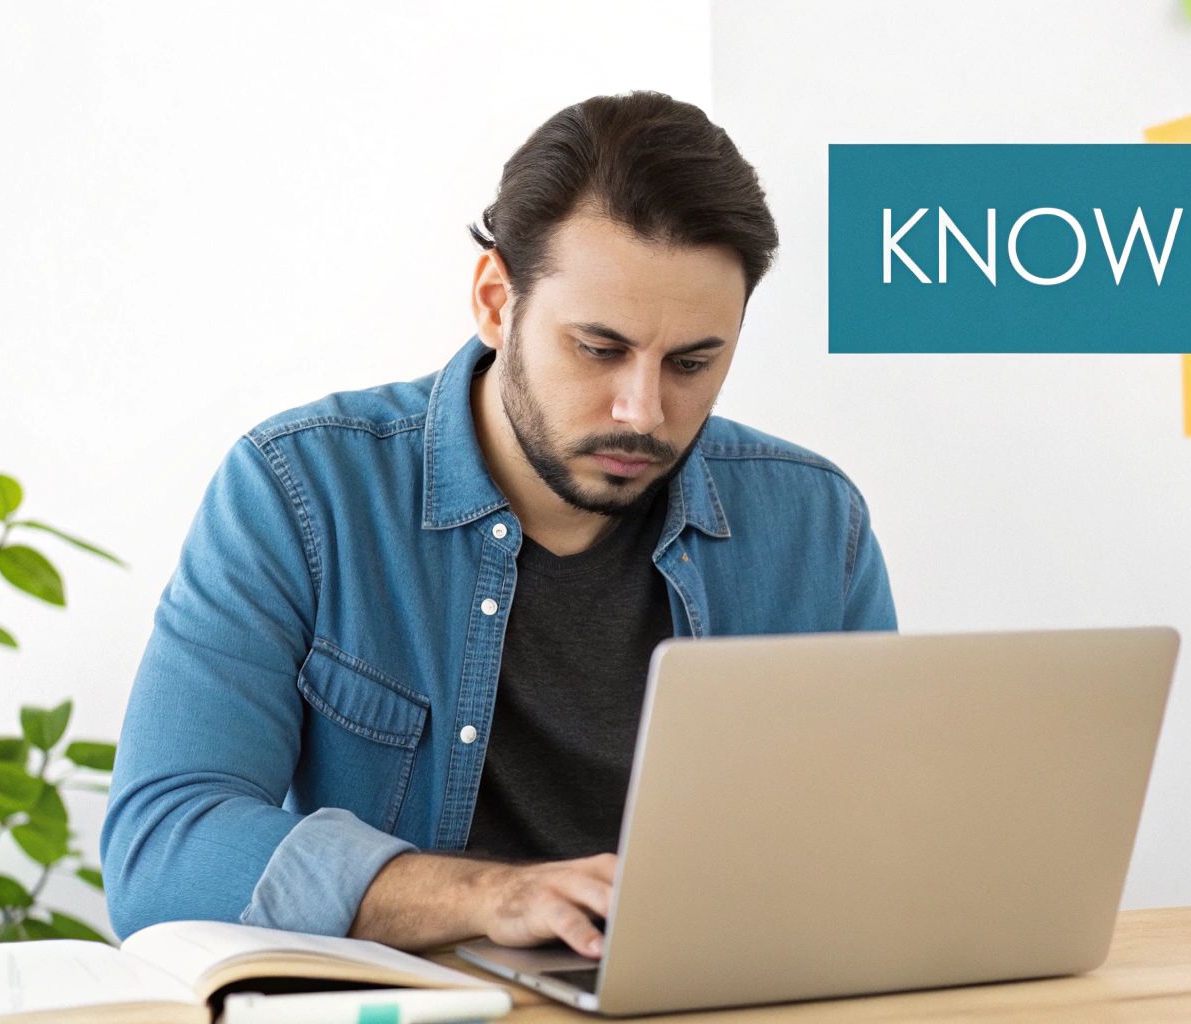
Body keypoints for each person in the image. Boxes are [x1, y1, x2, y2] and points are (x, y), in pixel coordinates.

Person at [102, 91, 897, 959]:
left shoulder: (816, 523)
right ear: (494, 301)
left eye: (692, 362)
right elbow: (163, 847)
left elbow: (879, 845)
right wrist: (487, 896)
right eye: (599, 349)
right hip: (420, 1002)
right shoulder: (303, 490)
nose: (642, 410)